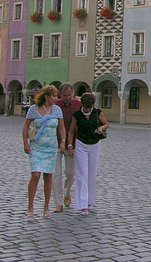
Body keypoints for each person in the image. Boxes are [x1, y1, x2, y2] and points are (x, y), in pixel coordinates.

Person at [22, 85, 66, 219]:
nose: (56, 98)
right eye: (54, 96)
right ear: (46, 97)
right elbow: (25, 127)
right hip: (36, 147)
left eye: (56, 96)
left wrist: (63, 141)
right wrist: (25, 143)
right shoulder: (33, 110)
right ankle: (30, 207)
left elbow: (62, 127)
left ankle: (46, 207)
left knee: (48, 176)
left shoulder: (57, 110)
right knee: (35, 175)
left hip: (51, 148)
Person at [67, 93, 108, 216]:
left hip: (95, 144)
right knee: (82, 174)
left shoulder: (97, 112)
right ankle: (82, 204)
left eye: (89, 107)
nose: (87, 109)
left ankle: (90, 201)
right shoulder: (77, 115)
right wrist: (70, 146)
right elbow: (71, 132)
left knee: (91, 173)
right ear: (82, 105)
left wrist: (102, 128)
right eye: (86, 107)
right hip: (81, 145)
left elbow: (106, 124)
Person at [52, 83, 82, 212]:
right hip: (56, 142)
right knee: (56, 174)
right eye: (65, 95)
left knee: (71, 173)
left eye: (70, 95)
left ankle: (67, 193)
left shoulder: (77, 104)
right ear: (60, 95)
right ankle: (58, 203)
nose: (68, 98)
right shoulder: (55, 105)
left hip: (73, 144)